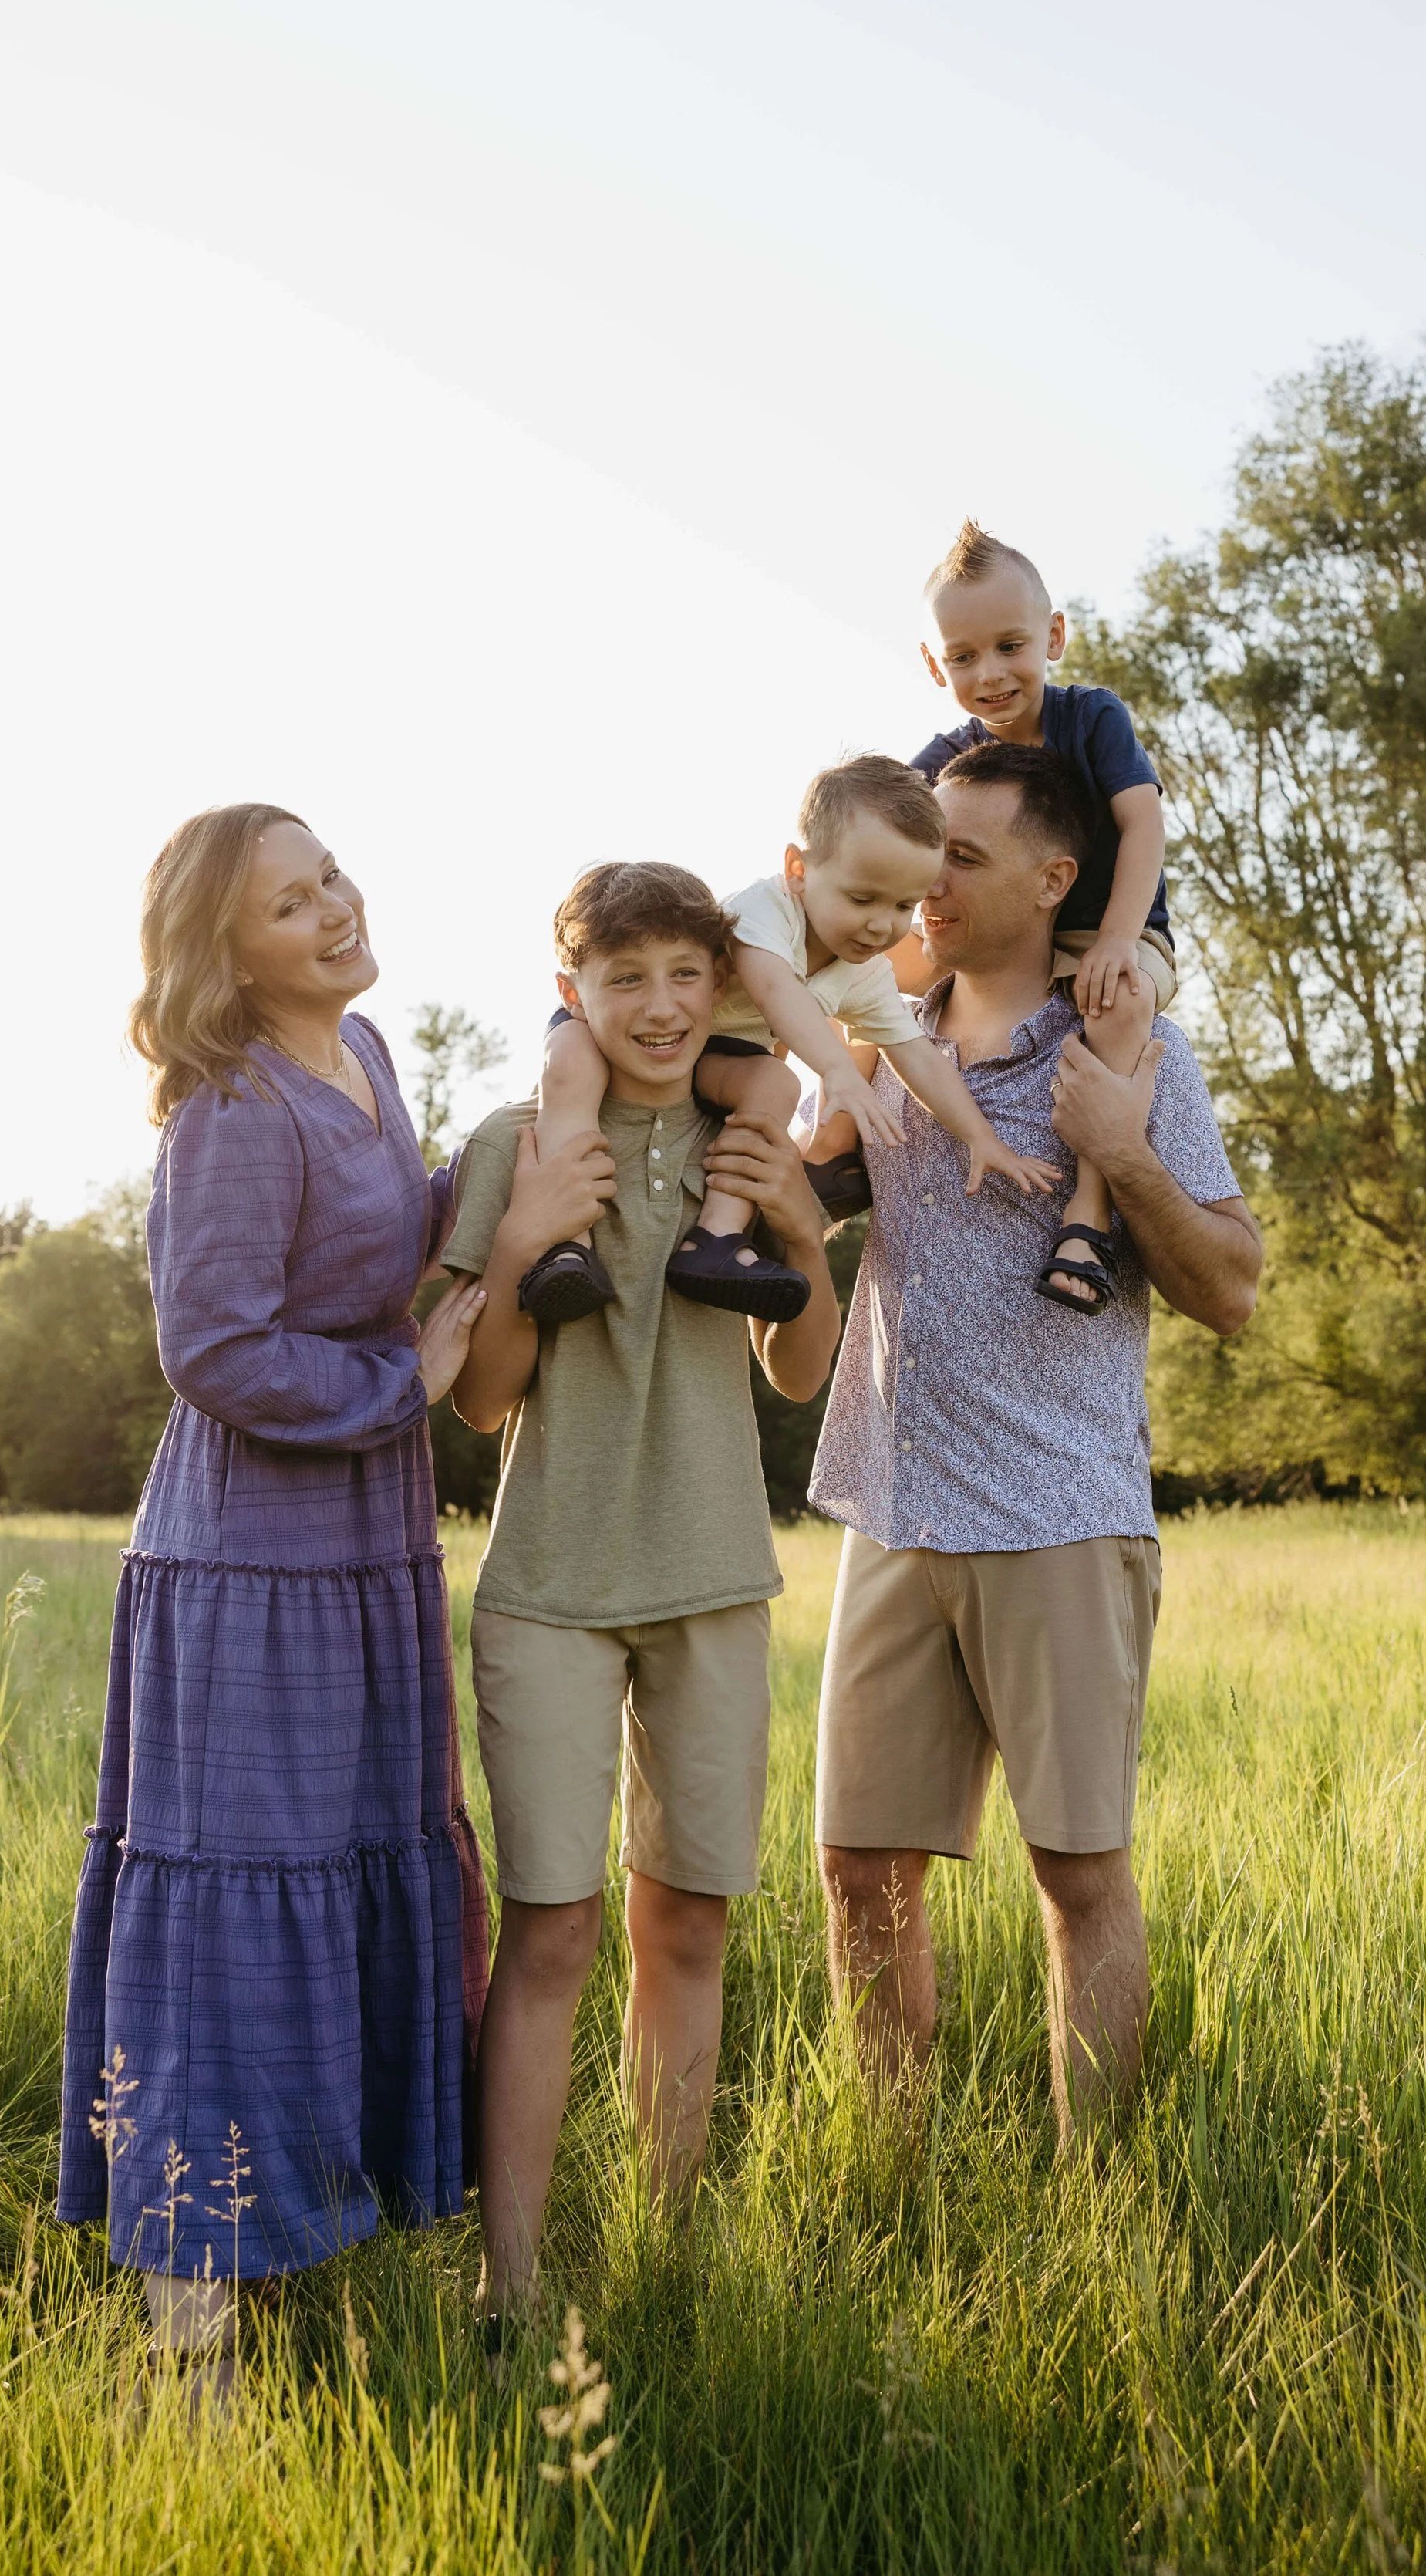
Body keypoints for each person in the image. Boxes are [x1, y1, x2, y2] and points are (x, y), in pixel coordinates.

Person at [56, 804, 510, 2399]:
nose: (332, 909)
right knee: (233, 1929)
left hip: (364, 1556)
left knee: (342, 1886)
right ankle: (190, 2355)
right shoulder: (232, 1109)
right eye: (288, 904)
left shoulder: (366, 1056)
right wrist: (416, 1373)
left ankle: (299, 2247)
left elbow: (405, 1227)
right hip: (249, 1568)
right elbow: (215, 1348)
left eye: (330, 879)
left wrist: (528, 1147)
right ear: (226, 960)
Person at [808, 742, 1261, 2142]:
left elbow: (1233, 1289)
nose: (928, 884)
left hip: (1061, 1510)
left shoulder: (1136, 1051)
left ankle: (1098, 2207)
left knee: (1077, 1874)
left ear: (1057, 878)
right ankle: (886, 2177)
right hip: (893, 1508)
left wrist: (1121, 1153)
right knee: (860, 1872)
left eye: (963, 856)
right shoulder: (880, 1031)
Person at [439, 859, 843, 2330]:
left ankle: (661, 2259)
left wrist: (800, 1233)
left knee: (690, 1929)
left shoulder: (753, 1135)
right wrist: (521, 1240)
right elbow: (483, 1404)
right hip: (547, 1590)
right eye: (626, 982)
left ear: (721, 985)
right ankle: (514, 2283)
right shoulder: (516, 1144)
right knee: (551, 1931)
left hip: (716, 1583)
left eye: (687, 976)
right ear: (575, 998)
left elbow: (799, 1374)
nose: (661, 1007)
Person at [519, 757, 1051, 1332]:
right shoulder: (764, 910)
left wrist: (979, 1136)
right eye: (862, 898)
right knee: (570, 1064)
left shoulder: (864, 971)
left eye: (904, 906)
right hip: (621, 1030)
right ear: (797, 869)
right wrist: (838, 1070)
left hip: (700, 1060)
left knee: (775, 1082)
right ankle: (565, 1247)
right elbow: (775, 989)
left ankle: (715, 1241)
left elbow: (917, 1055)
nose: (881, 926)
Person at [909, 519, 1175, 1316]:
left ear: (1053, 636)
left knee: (1118, 1002)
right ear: (934, 664)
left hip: (1108, 928)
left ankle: (1087, 1214)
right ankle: (838, 1140)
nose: (988, 674)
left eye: (1009, 646)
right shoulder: (946, 757)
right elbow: (889, 832)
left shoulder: (1091, 718)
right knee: (863, 983)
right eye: (961, 657)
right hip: (1005, 933)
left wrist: (1123, 939)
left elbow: (1143, 823)